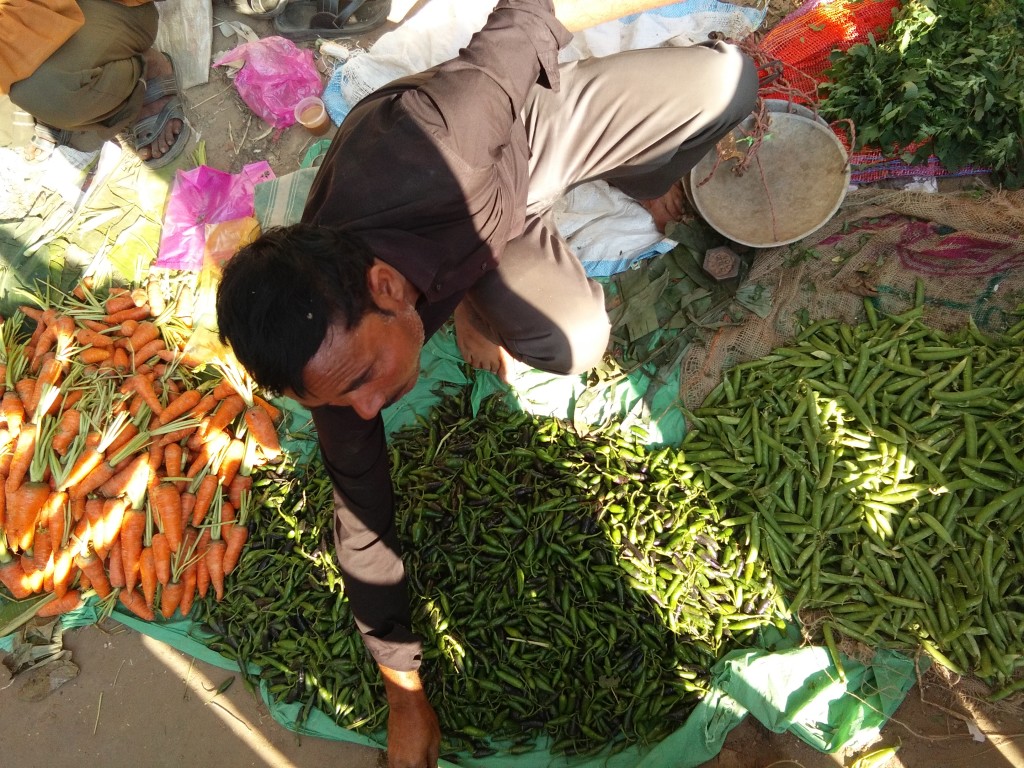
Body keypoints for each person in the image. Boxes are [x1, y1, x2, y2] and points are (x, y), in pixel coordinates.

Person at [216, 1, 758, 765]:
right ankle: (476, 291)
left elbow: (541, 11)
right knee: (574, 341)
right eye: (337, 401)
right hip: (473, 224)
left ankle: (636, 172)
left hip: (514, 155)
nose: (365, 409)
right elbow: (365, 534)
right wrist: (406, 697)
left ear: (388, 287)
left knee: (729, 81)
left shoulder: (445, 132)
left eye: (365, 379)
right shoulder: (334, 376)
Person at [0, 0, 189, 166]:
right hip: (26, 27)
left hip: (111, 8)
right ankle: (69, 87)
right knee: (16, 111)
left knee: (49, 95)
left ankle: (145, 70)